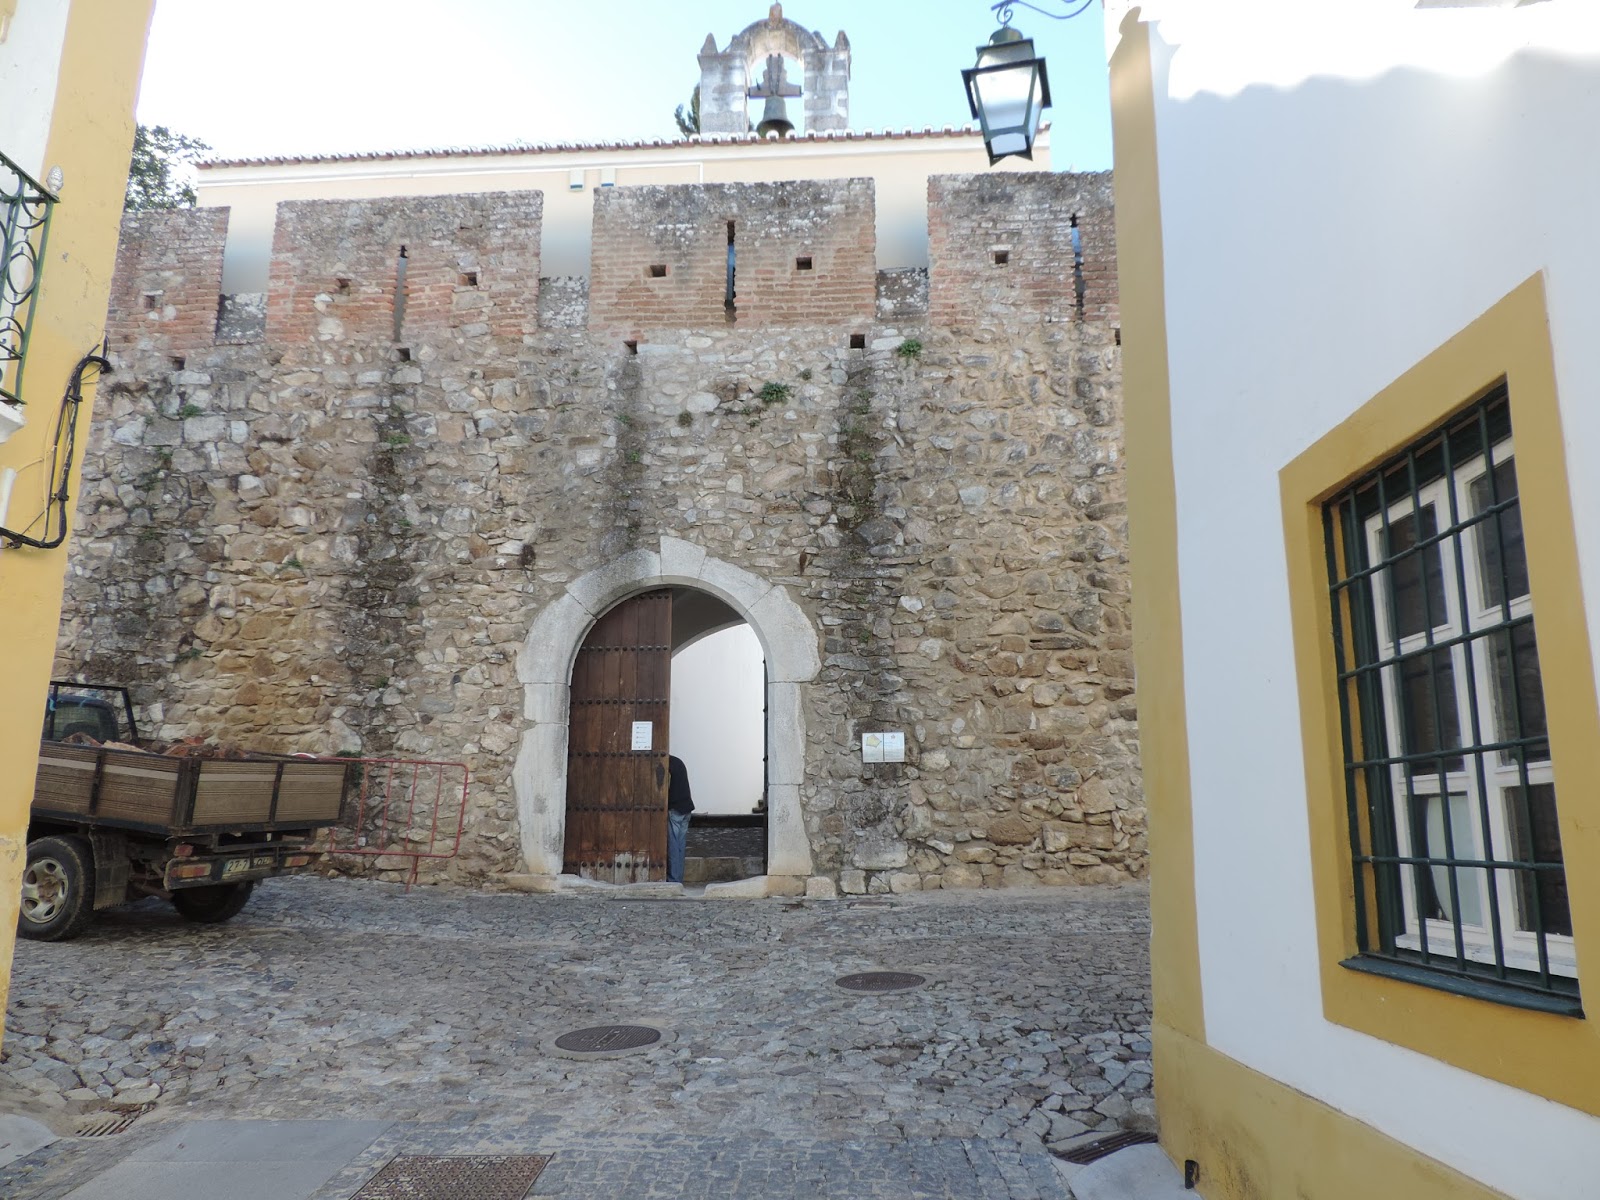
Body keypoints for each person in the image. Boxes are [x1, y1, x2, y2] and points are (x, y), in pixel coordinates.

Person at [666, 755, 694, 884]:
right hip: (686, 808)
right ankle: (678, 879)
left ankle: (674, 879)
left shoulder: (665, 764)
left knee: (673, 846)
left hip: (675, 810)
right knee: (680, 846)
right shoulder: (677, 762)